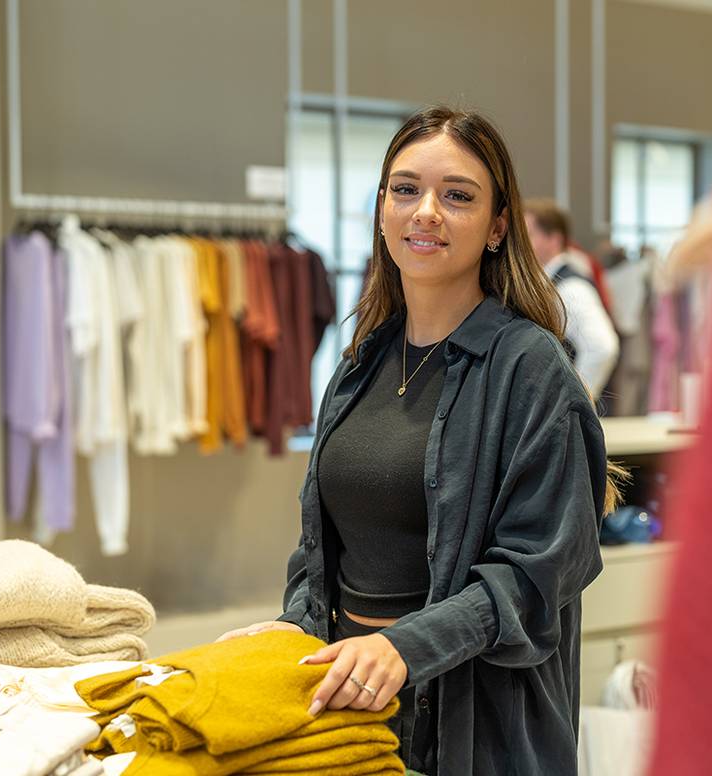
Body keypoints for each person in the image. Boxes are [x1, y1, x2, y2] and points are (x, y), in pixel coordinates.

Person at [218, 106, 618, 775]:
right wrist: (296, 624)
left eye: (456, 196)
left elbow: (536, 573)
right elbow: (323, 545)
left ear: (497, 227)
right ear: (381, 210)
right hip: (356, 721)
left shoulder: (529, 368)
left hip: (476, 729)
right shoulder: (362, 362)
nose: (425, 211)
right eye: (405, 189)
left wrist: (405, 648)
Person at [524, 199, 621, 393]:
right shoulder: (548, 284)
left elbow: (602, 347)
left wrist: (573, 401)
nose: (521, 244)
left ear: (554, 240)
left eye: (529, 235)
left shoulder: (571, 288)